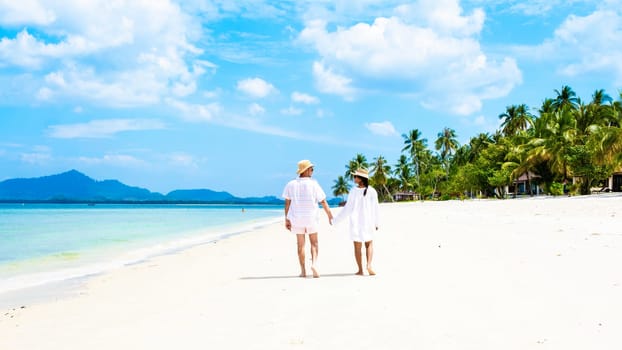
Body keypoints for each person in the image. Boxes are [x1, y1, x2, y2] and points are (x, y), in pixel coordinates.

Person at [282, 160, 333, 278]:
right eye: (311, 169)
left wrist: (287, 219)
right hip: (311, 218)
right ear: (305, 171)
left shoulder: (291, 184)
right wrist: (329, 215)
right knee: (314, 243)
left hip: (296, 218)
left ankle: (303, 271)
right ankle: (314, 264)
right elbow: (323, 201)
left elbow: (287, 204)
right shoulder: (314, 184)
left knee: (300, 245)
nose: (313, 171)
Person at [333, 168, 380, 276]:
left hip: (356, 222)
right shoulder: (372, 191)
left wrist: (336, 221)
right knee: (369, 244)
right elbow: (376, 208)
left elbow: (347, 209)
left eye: (355, 176)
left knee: (357, 246)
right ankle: (369, 265)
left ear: (361, 179)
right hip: (369, 221)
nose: (354, 178)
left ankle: (360, 270)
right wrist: (376, 223)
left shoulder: (353, 191)